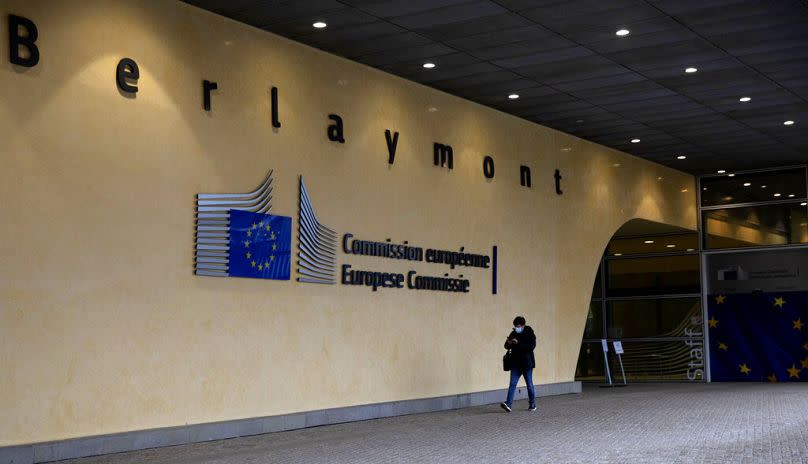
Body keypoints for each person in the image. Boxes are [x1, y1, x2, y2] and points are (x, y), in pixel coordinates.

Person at [500, 316, 537, 412]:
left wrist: (518, 343)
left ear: (523, 325)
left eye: (519, 326)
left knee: (529, 384)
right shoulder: (513, 333)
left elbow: (531, 346)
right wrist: (509, 342)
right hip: (515, 364)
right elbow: (506, 346)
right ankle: (508, 404)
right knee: (512, 384)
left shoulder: (529, 333)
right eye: (515, 326)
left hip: (527, 364)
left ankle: (532, 404)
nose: (517, 328)